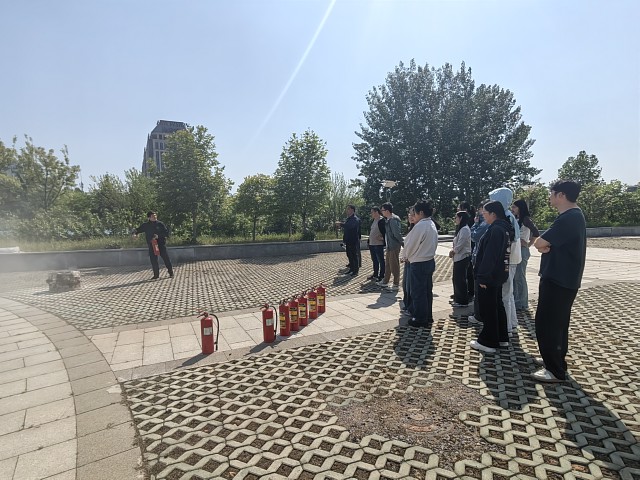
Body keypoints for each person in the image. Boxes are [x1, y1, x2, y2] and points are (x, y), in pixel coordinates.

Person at [531, 180, 586, 383]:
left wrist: (543, 246)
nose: (550, 196)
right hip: (564, 278)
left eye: (551, 193)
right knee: (558, 323)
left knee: (548, 323)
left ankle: (554, 369)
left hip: (558, 278)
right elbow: (544, 244)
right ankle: (554, 359)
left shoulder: (569, 218)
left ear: (561, 195)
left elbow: (540, 242)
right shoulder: (574, 216)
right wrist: (544, 246)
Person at [469, 201, 512, 353]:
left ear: (493, 214)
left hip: (490, 276)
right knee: (497, 306)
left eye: (485, 213)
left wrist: (483, 277)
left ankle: (489, 341)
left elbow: (490, 256)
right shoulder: (504, 228)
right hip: (498, 275)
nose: (483, 216)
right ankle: (501, 337)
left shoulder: (496, 230)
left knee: (488, 308)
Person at [489, 187, 521, 333]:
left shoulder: (506, 217)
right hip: (512, 259)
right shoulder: (509, 215)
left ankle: (506, 326)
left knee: (504, 295)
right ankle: (512, 323)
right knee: (509, 294)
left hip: (508, 260)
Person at [403, 200, 438, 328]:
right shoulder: (431, 224)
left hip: (419, 262)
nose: (414, 215)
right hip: (429, 260)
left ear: (421, 213)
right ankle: (427, 316)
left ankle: (419, 318)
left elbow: (411, 245)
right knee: (427, 291)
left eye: (415, 213)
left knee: (418, 292)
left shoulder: (421, 226)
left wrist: (406, 256)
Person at [511, 199, 540, 310]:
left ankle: (523, 303)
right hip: (516, 249)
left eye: (514, 207)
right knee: (515, 277)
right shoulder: (515, 219)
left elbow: (536, 232)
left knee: (520, 276)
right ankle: (517, 300)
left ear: (520, 208)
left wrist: (528, 244)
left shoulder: (525, 219)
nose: (512, 209)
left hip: (522, 250)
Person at [133, 211, 174, 279]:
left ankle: (171, 272)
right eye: (153, 216)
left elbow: (166, 233)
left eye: (155, 216)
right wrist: (135, 234)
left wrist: (158, 236)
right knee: (153, 260)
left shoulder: (160, 224)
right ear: (149, 218)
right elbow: (137, 230)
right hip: (152, 245)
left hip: (161, 244)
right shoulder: (145, 225)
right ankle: (156, 275)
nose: (155, 217)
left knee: (166, 258)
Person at [468, 204, 490, 324]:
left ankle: (479, 315)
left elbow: (474, 236)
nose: (480, 212)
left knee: (479, 290)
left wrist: (475, 224)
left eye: (482, 209)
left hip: (480, 260)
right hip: (479, 257)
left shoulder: (485, 224)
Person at [377, 203, 403, 291]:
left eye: (382, 210)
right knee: (388, 264)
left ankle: (396, 284)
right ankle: (385, 281)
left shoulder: (393, 220)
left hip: (394, 246)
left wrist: (402, 243)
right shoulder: (388, 219)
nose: (381, 212)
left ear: (387, 211)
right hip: (389, 245)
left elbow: (397, 234)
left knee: (394, 265)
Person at [449, 211, 472, 307]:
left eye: (456, 217)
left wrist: (453, 251)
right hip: (458, 258)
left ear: (461, 218)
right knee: (456, 278)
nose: (455, 219)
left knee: (460, 279)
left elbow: (461, 243)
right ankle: (458, 298)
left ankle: (462, 301)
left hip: (462, 257)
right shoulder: (461, 229)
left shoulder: (465, 229)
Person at [458, 201, 476, 299]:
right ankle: (462, 292)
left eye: (459, 208)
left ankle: (469, 292)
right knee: (466, 273)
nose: (457, 210)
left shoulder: (468, 220)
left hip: (468, 250)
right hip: (468, 249)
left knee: (468, 273)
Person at [400, 207, 416, 315]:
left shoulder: (418, 228)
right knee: (405, 284)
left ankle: (410, 308)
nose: (410, 217)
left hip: (412, 261)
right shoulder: (411, 228)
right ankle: (407, 305)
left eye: (413, 214)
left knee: (410, 286)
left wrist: (406, 256)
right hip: (407, 260)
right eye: (409, 214)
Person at [337, 205, 360, 276]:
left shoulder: (355, 219)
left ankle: (355, 271)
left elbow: (350, 226)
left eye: (348, 209)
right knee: (349, 255)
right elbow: (346, 229)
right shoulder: (348, 219)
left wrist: (341, 224)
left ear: (352, 210)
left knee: (354, 256)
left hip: (353, 241)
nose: (347, 210)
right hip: (348, 240)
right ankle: (351, 269)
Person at [367, 207, 386, 281]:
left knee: (380, 260)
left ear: (376, 212)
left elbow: (385, 232)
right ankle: (375, 273)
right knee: (374, 260)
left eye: (372, 212)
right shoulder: (374, 220)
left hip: (378, 244)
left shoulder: (381, 220)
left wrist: (382, 238)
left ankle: (381, 275)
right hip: (372, 244)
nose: (371, 214)